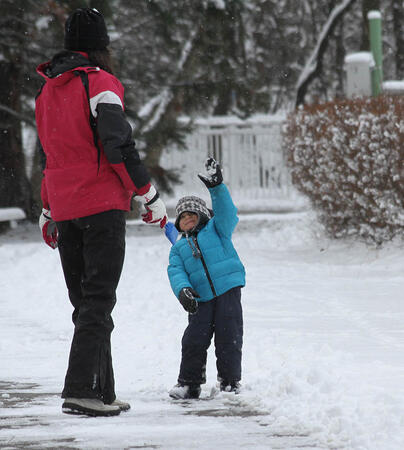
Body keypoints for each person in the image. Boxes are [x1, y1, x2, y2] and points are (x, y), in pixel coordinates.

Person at [35, 8, 167, 417]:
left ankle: (101, 391)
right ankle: (80, 389)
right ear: (102, 45)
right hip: (100, 206)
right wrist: (146, 192)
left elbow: (52, 154)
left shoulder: (47, 91)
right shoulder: (101, 84)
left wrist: (46, 206)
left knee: (87, 305)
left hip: (67, 208)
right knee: (97, 302)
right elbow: (118, 145)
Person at [167, 158, 245, 399]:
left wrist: (216, 188)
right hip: (200, 299)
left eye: (191, 214)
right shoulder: (178, 248)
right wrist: (183, 291)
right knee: (193, 341)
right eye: (182, 217)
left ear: (202, 215)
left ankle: (229, 382)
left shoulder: (217, 229)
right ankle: (189, 383)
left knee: (229, 337)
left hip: (227, 291)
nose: (187, 219)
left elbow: (227, 213)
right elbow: (175, 271)